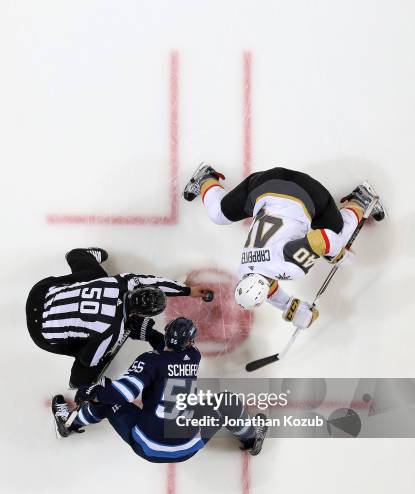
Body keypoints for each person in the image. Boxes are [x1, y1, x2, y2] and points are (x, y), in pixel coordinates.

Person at [183, 164, 385, 329]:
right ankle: (205, 178)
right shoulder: (245, 270)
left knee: (336, 241)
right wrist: (290, 307)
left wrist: (337, 254)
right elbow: (265, 282)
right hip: (265, 182)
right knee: (218, 214)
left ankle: (360, 201)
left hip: (307, 191)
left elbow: (321, 239)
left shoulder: (290, 267)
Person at [51, 317, 268, 462]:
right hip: (188, 446)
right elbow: (168, 353)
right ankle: (251, 438)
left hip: (149, 446)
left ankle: (69, 423)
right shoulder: (194, 356)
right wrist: (147, 333)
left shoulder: (149, 361)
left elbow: (125, 392)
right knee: (226, 402)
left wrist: (92, 393)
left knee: (108, 395)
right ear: (191, 341)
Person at [26, 247, 213, 387]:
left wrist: (187, 290)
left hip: (39, 293)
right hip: (41, 334)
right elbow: (88, 360)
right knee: (89, 360)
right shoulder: (112, 331)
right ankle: (78, 382)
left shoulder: (122, 281)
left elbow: (154, 281)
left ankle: (78, 254)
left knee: (95, 277)